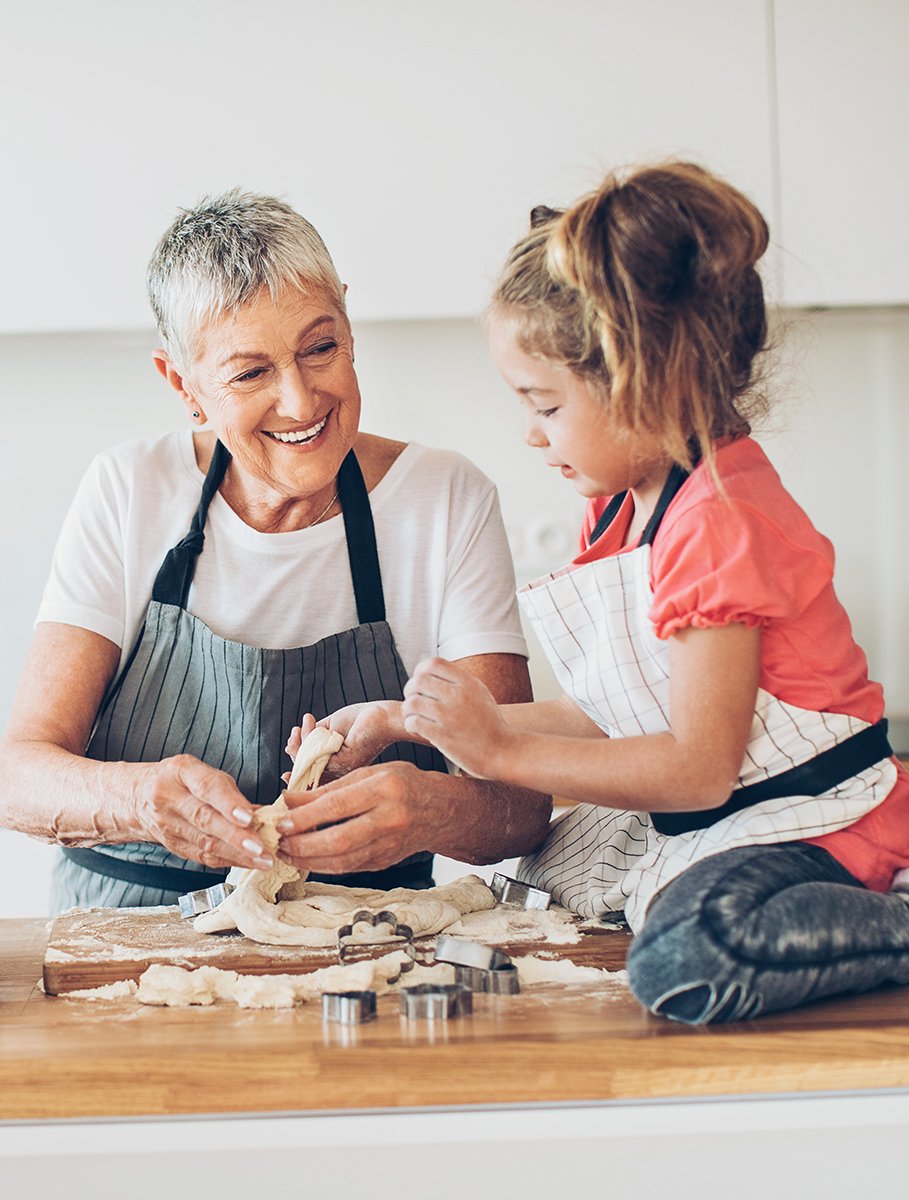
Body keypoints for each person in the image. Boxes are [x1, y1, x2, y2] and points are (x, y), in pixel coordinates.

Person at [386, 161, 909, 1025]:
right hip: (736, 812)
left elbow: (697, 770)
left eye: (544, 404)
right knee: (508, 892)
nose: (528, 432)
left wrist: (502, 753)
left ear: (642, 381)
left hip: (816, 821)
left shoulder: (718, 521)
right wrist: (412, 720)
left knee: (683, 956)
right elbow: (613, 718)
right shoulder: (625, 510)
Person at [0, 189, 550, 913]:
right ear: (183, 384)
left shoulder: (445, 499)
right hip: (125, 937)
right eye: (249, 372)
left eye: (320, 348)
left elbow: (517, 807)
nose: (300, 401)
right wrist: (139, 798)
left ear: (349, 323)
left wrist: (428, 809)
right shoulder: (129, 489)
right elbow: (19, 776)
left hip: (364, 942)